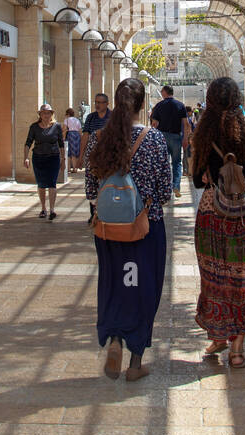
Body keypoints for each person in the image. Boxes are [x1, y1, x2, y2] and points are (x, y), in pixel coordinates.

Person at [85, 78, 171, 381]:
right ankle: (135, 362)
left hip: (109, 230)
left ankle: (115, 340)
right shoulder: (155, 139)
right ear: (141, 105)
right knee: (143, 286)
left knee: (115, 283)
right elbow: (164, 192)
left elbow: (91, 190)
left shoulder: (97, 139)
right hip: (146, 228)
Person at [191, 77, 245, 369]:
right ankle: (237, 349)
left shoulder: (203, 134)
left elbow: (197, 178)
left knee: (215, 277)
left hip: (213, 212)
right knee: (244, 277)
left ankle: (218, 335)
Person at [24, 103, 63, 220]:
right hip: (38, 158)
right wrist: (25, 157)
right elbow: (28, 143)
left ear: (51, 114)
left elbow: (61, 143)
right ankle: (43, 208)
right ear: (40, 115)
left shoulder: (56, 127)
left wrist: (63, 159)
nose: (46, 115)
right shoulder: (34, 127)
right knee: (41, 184)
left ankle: (52, 210)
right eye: (43, 113)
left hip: (53, 157)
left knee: (52, 183)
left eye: (48, 113)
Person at [150, 85, 189, 199]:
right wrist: (185, 138)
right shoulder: (180, 105)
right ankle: (176, 186)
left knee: (163, 163)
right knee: (177, 163)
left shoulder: (159, 105)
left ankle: (164, 187)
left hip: (162, 137)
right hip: (176, 137)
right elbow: (186, 124)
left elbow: (154, 124)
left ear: (164, 92)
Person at [80, 93, 111, 224]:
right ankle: (93, 214)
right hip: (92, 158)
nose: (98, 105)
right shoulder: (91, 118)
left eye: (101, 102)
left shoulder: (113, 117)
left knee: (106, 184)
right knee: (91, 186)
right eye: (96, 102)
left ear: (107, 104)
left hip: (107, 158)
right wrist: (80, 155)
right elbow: (85, 135)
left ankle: (106, 212)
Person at [63, 107, 84, 174]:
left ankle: (69, 168)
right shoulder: (77, 120)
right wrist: (81, 138)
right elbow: (80, 130)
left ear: (68, 114)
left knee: (69, 152)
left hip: (70, 134)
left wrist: (63, 137)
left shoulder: (67, 120)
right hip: (77, 135)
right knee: (75, 151)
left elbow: (64, 129)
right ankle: (75, 168)